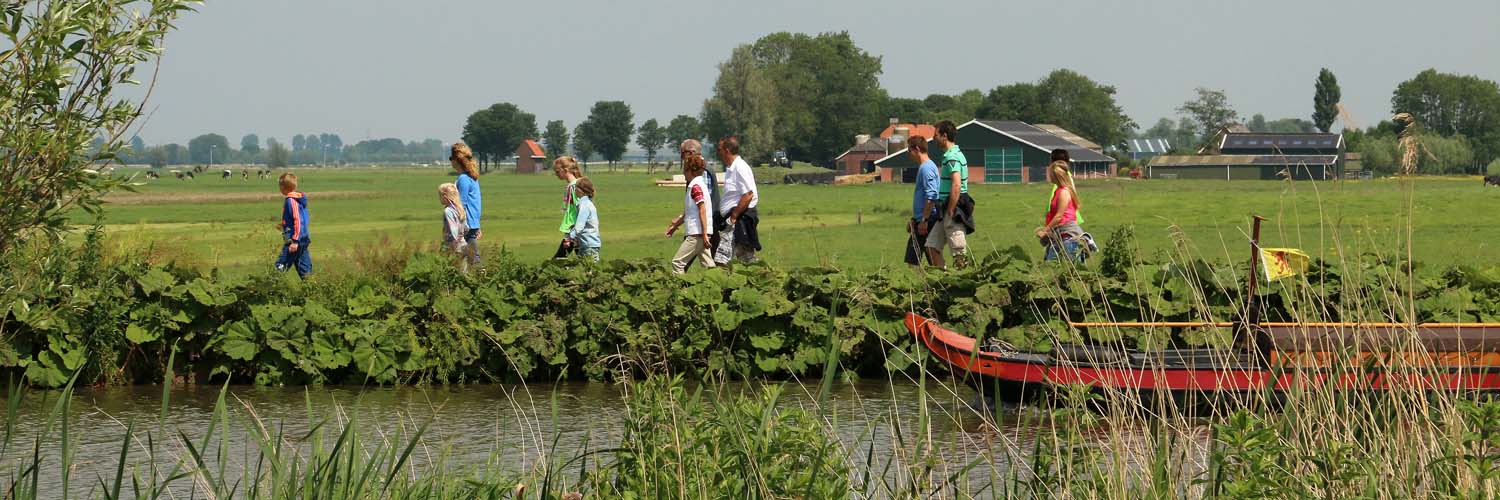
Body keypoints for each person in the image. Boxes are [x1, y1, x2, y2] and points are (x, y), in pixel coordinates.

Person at [925, 120, 973, 268]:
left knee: (958, 251)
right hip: (945, 207)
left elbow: (957, 184)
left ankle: (963, 283)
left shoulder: (952, 157)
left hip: (953, 206)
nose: (933, 138)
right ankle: (944, 283)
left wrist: (951, 208)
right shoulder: (951, 154)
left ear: (944, 136)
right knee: (931, 247)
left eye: (936, 135)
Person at [665, 153, 715, 273]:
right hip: (702, 233)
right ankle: (721, 288)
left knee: (677, 263)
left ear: (689, 170)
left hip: (696, 233)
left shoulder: (695, 187)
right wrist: (675, 225)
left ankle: (681, 291)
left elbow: (701, 210)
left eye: (684, 169)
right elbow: (690, 211)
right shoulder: (700, 185)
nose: (683, 173)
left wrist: (703, 234)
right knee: (709, 267)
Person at [714, 136, 760, 264]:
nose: (718, 153)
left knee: (722, 259)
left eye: (719, 149)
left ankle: (722, 281)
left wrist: (733, 216)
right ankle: (761, 278)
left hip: (739, 219)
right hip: (736, 218)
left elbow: (748, 194)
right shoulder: (732, 168)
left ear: (727, 150)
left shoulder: (740, 167)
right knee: (745, 257)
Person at [1037, 149, 1086, 262]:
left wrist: (1045, 230)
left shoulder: (1064, 191)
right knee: (1050, 264)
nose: (1048, 176)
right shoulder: (1058, 190)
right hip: (1059, 233)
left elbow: (1059, 216)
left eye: (1050, 174)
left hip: (1068, 234)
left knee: (1074, 266)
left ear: (1056, 175)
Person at [905, 135, 939, 267]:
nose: (909, 154)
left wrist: (924, 221)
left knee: (918, 260)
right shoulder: (926, 167)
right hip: (920, 221)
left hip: (927, 222)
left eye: (909, 150)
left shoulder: (926, 168)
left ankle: (935, 283)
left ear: (917, 149)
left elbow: (931, 196)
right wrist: (915, 219)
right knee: (916, 259)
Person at [450, 142, 483, 266]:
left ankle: (480, 277)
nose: (450, 161)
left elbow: (461, 204)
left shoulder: (463, 179)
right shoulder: (472, 177)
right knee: (467, 256)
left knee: (472, 257)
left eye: (451, 158)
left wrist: (455, 223)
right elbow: (475, 203)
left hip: (466, 224)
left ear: (456, 159)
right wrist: (477, 225)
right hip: (472, 222)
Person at [274, 172, 312, 278]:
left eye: (280, 186)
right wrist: (284, 225)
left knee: (280, 267)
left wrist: (295, 241)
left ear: (283, 187)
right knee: (305, 270)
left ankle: (271, 289)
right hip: (302, 240)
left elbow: (298, 221)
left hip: (294, 242)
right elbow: (298, 219)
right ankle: (314, 290)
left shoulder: (291, 201)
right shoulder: (298, 200)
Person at [552, 156, 584, 258]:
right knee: (583, 259)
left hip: (573, 230)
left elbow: (579, 208)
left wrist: (574, 230)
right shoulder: (575, 185)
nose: (556, 174)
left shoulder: (573, 187)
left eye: (557, 171)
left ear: (565, 170)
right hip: (575, 230)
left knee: (558, 260)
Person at [564, 177, 601, 261]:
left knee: (590, 270)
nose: (574, 190)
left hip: (588, 244)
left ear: (581, 190)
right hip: (588, 243)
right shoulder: (587, 203)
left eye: (576, 188)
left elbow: (579, 226)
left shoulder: (584, 205)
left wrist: (569, 238)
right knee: (586, 269)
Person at [438, 182, 471, 272]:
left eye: (440, 195)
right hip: (463, 244)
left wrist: (453, 245)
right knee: (463, 271)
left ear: (445, 197)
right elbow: (466, 228)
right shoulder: (459, 208)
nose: (439, 198)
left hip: (453, 246)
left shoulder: (448, 211)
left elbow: (453, 230)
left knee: (451, 270)